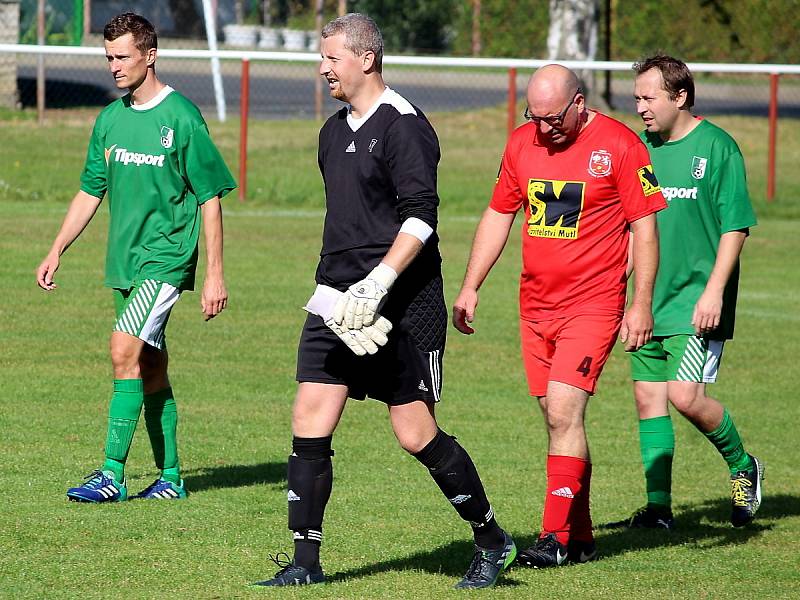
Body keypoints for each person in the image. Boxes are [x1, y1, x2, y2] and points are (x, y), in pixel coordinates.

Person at [254, 13, 515, 590]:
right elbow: (345, 224)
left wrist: (377, 285)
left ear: (366, 59)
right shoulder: (330, 132)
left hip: (402, 300)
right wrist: (336, 293)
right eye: (321, 59)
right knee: (309, 415)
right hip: (336, 300)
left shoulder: (404, 125)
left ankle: (492, 539)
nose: (324, 68)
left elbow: (421, 216)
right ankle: (305, 563)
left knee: (414, 433)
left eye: (332, 58)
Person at [452, 64, 666, 568]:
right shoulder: (521, 143)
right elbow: (499, 214)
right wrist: (470, 285)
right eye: (534, 115)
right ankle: (583, 534)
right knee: (554, 417)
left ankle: (555, 538)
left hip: (593, 304)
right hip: (535, 307)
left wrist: (641, 303)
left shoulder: (620, 145)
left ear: (579, 102)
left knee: (566, 413)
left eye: (552, 117)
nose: (543, 127)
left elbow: (646, 228)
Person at [36, 12, 235, 503]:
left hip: (165, 260)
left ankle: (111, 474)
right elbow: (90, 191)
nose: (114, 66)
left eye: (122, 56)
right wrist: (56, 248)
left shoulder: (182, 117)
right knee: (150, 366)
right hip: (124, 263)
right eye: (108, 57)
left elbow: (210, 196)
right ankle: (170, 479)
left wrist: (213, 274)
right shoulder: (110, 120)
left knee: (122, 351)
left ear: (150, 55)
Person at [606, 55, 761, 530]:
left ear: (680, 97)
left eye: (649, 98)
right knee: (648, 399)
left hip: (697, 301)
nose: (641, 107)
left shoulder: (718, 148)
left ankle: (742, 465)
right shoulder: (641, 150)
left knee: (685, 396)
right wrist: (627, 291)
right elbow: (635, 225)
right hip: (649, 300)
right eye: (636, 98)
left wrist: (714, 293)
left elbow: (735, 227)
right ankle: (658, 511)